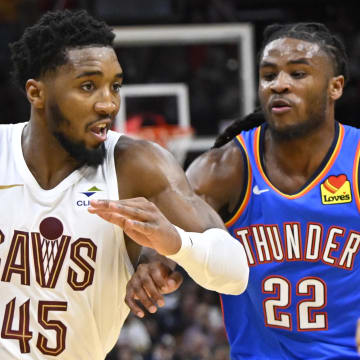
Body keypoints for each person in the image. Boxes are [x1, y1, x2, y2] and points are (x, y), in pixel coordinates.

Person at [0, 9, 250, 359]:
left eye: (114, 86)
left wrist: (175, 244)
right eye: (88, 86)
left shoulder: (136, 164)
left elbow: (236, 273)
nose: (109, 103)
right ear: (36, 93)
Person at [125, 22, 360, 359]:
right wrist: (151, 267)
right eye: (269, 75)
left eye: (298, 74)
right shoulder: (224, 169)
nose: (279, 84)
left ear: (335, 87)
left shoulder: (355, 161)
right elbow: (170, 232)